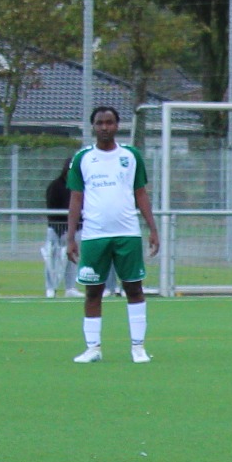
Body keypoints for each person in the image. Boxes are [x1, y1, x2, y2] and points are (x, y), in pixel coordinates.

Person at [66, 105, 159, 364]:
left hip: (127, 233)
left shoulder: (131, 156)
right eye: (100, 123)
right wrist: (70, 237)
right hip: (94, 235)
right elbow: (76, 198)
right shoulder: (83, 158)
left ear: (117, 125)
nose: (105, 127)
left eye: (109, 122)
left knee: (134, 288)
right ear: (93, 127)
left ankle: (138, 348)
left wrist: (153, 228)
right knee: (93, 292)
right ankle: (93, 348)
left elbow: (140, 193)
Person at [44, 164, 76, 298]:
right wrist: (58, 227)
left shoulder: (77, 187)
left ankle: (70, 287)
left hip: (72, 229)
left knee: (72, 258)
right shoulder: (55, 186)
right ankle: (51, 288)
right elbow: (51, 208)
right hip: (55, 228)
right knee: (51, 258)